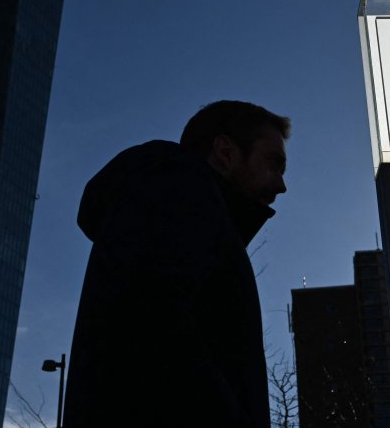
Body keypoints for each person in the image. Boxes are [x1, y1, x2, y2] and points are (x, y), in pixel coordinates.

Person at [63, 100, 290, 428]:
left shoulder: (180, 203)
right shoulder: (180, 184)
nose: (281, 185)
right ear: (226, 152)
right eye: (274, 163)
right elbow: (153, 322)